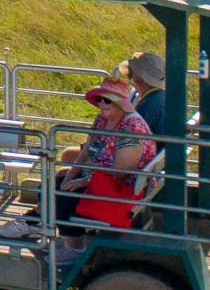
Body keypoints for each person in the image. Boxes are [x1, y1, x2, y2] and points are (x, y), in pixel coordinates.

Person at [59, 77, 159, 233]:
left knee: (64, 197)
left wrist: (84, 181)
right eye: (99, 99)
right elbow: (87, 150)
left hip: (122, 188)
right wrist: (70, 176)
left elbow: (120, 173)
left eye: (107, 100)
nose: (102, 104)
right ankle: (45, 229)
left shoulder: (131, 127)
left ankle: (72, 244)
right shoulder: (102, 119)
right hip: (98, 178)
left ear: (120, 103)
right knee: (57, 183)